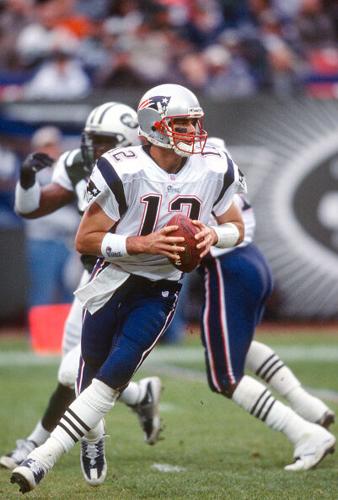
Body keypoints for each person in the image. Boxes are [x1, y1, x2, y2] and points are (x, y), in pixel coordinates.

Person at [10, 83, 247, 493]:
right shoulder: (122, 167)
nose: (193, 132)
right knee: (85, 372)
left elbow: (236, 227)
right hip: (110, 278)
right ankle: (93, 435)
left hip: (161, 285)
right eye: (182, 124)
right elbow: (84, 240)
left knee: (115, 373)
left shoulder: (214, 166)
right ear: (154, 127)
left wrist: (213, 235)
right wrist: (143, 242)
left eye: (195, 123)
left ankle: (39, 458)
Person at [1, 102, 163, 485]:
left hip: (141, 284)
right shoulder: (78, 164)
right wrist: (27, 180)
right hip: (96, 280)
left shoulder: (150, 170)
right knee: (73, 374)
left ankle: (68, 441)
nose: (94, 150)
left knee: (75, 372)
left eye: (104, 142)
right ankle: (136, 399)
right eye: (91, 140)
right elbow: (32, 208)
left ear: (127, 142)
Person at [165, 137, 335, 430]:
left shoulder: (205, 184)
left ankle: (305, 435)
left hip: (228, 268)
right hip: (252, 264)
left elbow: (219, 232)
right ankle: (309, 406)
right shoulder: (221, 183)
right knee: (232, 343)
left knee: (224, 376)